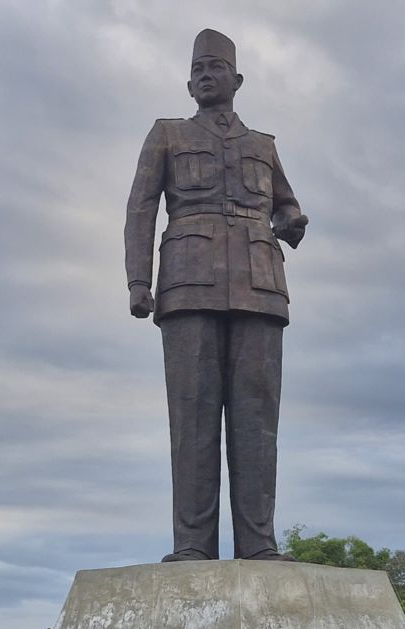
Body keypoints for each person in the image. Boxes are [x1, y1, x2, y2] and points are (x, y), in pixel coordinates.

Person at [124, 29, 308, 562]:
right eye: (198, 70)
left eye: (216, 68)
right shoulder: (167, 134)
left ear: (237, 80)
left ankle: (259, 545)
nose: (207, 76)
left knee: (257, 420)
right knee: (193, 417)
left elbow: (285, 205)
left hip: (260, 286)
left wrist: (291, 219)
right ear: (188, 83)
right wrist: (139, 280)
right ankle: (192, 546)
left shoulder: (263, 146)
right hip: (186, 283)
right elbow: (141, 208)